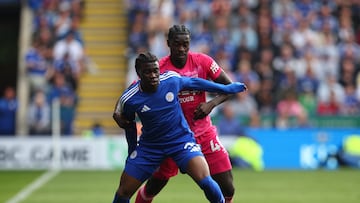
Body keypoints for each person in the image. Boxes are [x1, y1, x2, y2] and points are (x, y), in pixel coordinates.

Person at [112, 52, 247, 203]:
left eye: (155, 71)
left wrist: (227, 89)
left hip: (180, 141)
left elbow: (196, 83)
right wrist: (131, 152)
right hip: (150, 147)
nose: (153, 75)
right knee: (123, 191)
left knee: (205, 180)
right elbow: (128, 125)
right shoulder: (130, 98)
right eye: (147, 72)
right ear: (138, 73)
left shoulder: (170, 80)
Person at [136, 24, 239, 203]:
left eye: (186, 44)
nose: (182, 48)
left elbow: (228, 88)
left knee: (228, 186)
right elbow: (144, 97)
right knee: (154, 186)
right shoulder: (158, 69)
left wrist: (211, 104)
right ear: (168, 43)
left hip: (203, 133)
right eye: (177, 44)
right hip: (172, 137)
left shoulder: (203, 61)